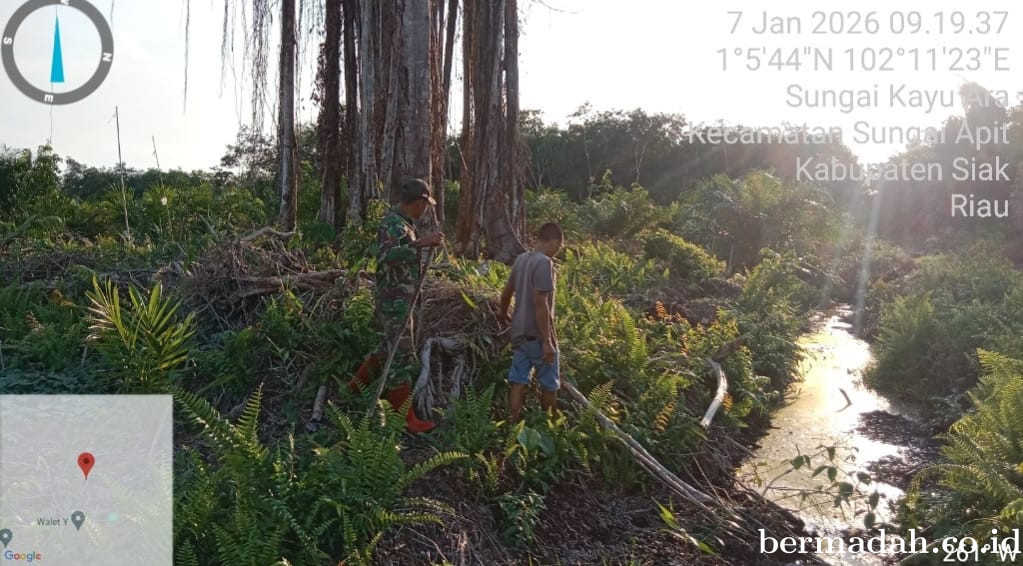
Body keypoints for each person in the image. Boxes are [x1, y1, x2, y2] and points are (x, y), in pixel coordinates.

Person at [347, 178, 444, 433]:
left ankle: (352, 390)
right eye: (425, 204)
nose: (426, 210)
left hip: (399, 301)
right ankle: (404, 419)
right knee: (401, 356)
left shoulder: (403, 224)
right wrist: (420, 243)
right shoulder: (392, 224)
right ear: (419, 202)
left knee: (385, 349)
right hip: (394, 303)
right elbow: (387, 255)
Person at [498, 222, 564, 423]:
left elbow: (506, 293)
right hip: (538, 336)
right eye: (559, 246)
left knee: (518, 381)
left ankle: (512, 425)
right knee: (549, 385)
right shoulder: (544, 263)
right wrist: (547, 341)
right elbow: (540, 303)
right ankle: (550, 427)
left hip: (519, 334)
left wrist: (503, 314)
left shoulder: (521, 259)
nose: (558, 251)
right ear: (554, 242)